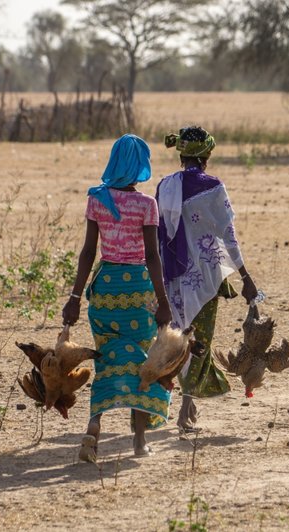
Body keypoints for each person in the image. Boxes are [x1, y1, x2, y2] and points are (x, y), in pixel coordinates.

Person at [62, 133, 173, 462]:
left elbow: (87, 252)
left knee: (107, 360)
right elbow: (152, 256)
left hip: (106, 291)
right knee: (142, 362)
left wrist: (74, 297)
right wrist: (163, 301)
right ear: (140, 165)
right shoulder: (146, 205)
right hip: (138, 291)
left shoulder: (97, 199)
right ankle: (139, 440)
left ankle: (93, 426)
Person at [156, 125, 258, 432]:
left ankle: (172, 406)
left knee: (176, 340)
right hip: (206, 279)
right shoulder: (213, 187)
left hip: (172, 279)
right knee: (200, 341)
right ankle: (186, 406)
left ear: (182, 155)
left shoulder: (165, 186)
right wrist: (245, 277)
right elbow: (228, 236)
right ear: (206, 156)